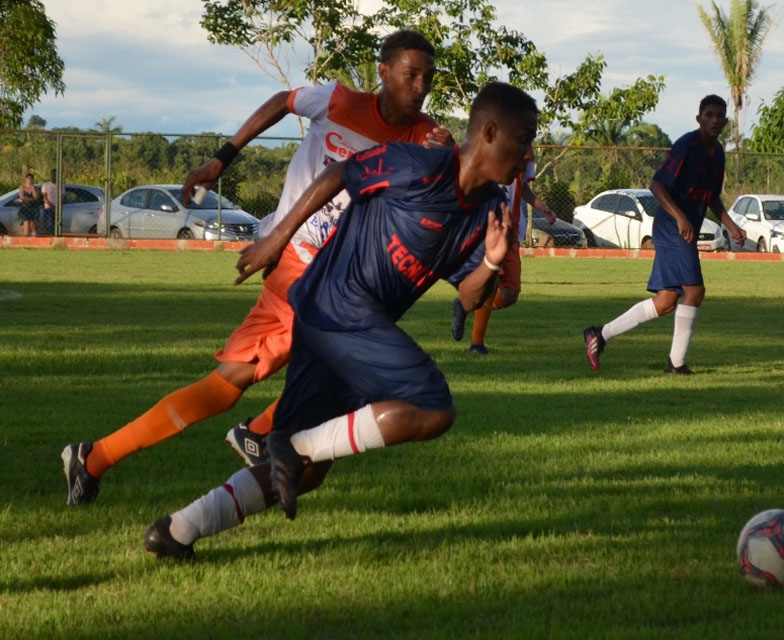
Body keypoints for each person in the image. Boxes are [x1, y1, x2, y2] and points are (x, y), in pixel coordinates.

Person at [142, 81, 537, 559]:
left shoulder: (490, 209)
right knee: (432, 406)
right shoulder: (419, 164)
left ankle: (179, 529)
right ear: (489, 132)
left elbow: (472, 299)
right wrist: (276, 239)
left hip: (348, 326)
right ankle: (291, 444)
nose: (528, 154)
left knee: (307, 473)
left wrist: (492, 261)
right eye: (523, 139)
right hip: (335, 304)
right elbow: (340, 175)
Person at [60, 29, 452, 506]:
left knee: (253, 383)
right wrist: (222, 159)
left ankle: (98, 457)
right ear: (384, 72)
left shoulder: (425, 138)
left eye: (428, 79)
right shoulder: (337, 100)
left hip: (337, 279)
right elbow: (283, 101)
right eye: (411, 75)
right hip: (301, 266)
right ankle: (254, 434)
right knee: (319, 374)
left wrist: (442, 159)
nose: (420, 87)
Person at [582, 95, 745, 374]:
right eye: (709, 114)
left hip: (683, 231)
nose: (715, 120)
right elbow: (657, 185)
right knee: (694, 291)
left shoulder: (717, 153)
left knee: (666, 301)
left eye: (720, 115)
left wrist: (731, 225)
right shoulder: (687, 146)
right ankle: (676, 364)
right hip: (672, 228)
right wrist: (680, 217)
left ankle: (600, 334)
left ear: (726, 121)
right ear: (699, 118)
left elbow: (712, 197)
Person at [449, 160, 556, 354]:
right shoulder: (490, 147)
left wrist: (542, 207)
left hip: (512, 229)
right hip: (488, 224)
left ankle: (464, 306)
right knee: (493, 281)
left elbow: (522, 188)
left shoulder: (525, 154)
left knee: (509, 295)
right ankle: (477, 344)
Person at [40, 169, 62, 236]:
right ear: (51, 175)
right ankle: (51, 236)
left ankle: (57, 235)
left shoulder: (61, 185)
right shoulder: (45, 185)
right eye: (53, 174)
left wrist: (57, 205)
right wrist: (52, 206)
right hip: (48, 208)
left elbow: (63, 197)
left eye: (56, 175)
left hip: (59, 208)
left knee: (58, 224)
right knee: (50, 224)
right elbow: (44, 198)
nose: (54, 176)